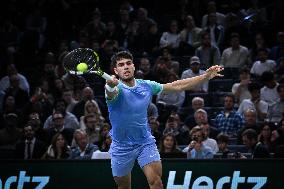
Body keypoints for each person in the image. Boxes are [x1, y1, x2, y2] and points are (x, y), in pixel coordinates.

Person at [105, 51, 222, 189]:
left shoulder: (146, 86)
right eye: (121, 65)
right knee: (124, 186)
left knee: (156, 181)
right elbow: (111, 92)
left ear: (134, 66)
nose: (125, 67)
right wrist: (110, 85)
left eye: (128, 63)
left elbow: (176, 86)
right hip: (121, 146)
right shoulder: (115, 89)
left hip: (144, 142)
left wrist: (205, 76)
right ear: (116, 70)